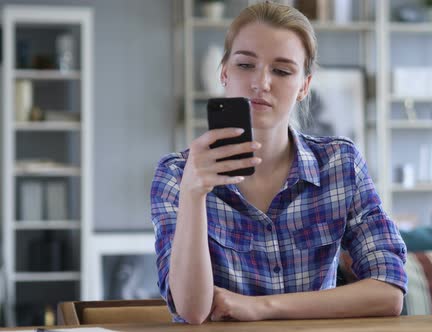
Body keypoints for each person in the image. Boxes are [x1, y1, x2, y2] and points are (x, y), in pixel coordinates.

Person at [150, 1, 407, 325]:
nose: (262, 83)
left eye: (282, 70)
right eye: (246, 65)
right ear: (224, 73)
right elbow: (191, 310)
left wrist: (261, 307)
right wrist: (193, 194)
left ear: (304, 86)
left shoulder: (340, 164)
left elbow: (389, 290)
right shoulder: (175, 174)